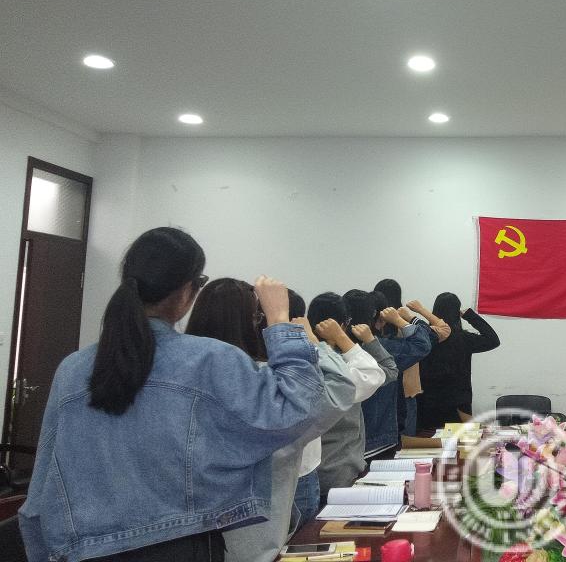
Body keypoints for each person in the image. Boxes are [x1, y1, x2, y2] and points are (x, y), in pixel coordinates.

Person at [18, 228, 325, 562]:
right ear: (185, 292)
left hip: (83, 552)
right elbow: (298, 407)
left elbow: (41, 492)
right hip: (180, 547)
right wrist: (279, 321)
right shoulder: (211, 359)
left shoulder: (72, 370)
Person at [185, 279, 384, 562]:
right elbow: (343, 386)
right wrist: (302, 337)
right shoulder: (267, 383)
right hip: (256, 532)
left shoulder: (184, 378)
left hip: (195, 534)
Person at [309, 291, 398, 499]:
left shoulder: (297, 362)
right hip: (340, 468)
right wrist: (361, 339)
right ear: (342, 325)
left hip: (311, 471)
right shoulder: (346, 363)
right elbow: (383, 372)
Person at [358, 292, 433, 461]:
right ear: (381, 318)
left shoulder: (335, 349)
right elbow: (426, 342)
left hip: (352, 441)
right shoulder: (385, 347)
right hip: (379, 436)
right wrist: (405, 319)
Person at [373, 279, 452, 437]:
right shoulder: (405, 326)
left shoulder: (370, 327)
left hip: (377, 391)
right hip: (406, 392)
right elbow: (444, 330)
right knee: (405, 442)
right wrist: (412, 315)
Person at [417, 292, 501, 431]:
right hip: (459, 404)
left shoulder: (425, 338)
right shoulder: (464, 339)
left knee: (429, 441)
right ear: (456, 313)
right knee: (459, 443)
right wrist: (469, 315)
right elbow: (493, 340)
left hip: (427, 402)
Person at [286, 289, 321, 528]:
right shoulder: (299, 366)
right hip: (298, 473)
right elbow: (348, 382)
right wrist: (313, 342)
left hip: (301, 471)